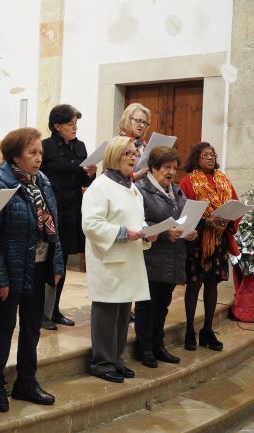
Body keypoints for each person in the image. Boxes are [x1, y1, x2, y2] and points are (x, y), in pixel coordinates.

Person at [0, 128, 64, 413]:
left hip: (38, 266)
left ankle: (26, 381)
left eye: (40, 152)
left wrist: (57, 263)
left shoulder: (43, 182)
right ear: (15, 156)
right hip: (11, 268)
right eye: (32, 153)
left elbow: (54, 227)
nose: (39, 158)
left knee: (31, 327)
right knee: (4, 327)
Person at [81, 136, 155, 384]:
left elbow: (137, 219)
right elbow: (91, 224)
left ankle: (117, 359)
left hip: (129, 258)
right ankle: (101, 363)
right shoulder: (100, 186)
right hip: (108, 259)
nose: (133, 158)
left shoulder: (131, 187)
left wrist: (146, 233)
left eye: (135, 154)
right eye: (128, 154)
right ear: (114, 155)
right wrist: (123, 233)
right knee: (106, 311)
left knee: (124, 311)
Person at [134, 146, 198, 368]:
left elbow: (183, 218)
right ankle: (144, 348)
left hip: (173, 257)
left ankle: (158, 345)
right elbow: (139, 221)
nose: (171, 172)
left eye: (174, 168)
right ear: (153, 168)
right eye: (166, 167)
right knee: (147, 305)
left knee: (163, 304)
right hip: (151, 257)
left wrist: (189, 230)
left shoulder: (177, 190)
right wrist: (163, 233)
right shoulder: (140, 190)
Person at [39, 104, 96, 330]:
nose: (75, 128)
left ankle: (54, 309)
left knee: (61, 262)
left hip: (72, 210)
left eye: (76, 124)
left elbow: (83, 181)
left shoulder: (79, 146)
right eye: (70, 124)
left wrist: (90, 174)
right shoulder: (45, 147)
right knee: (48, 261)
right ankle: (41, 312)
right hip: (52, 209)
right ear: (57, 125)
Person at [179, 142, 239, 352]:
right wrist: (207, 222)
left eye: (212, 154)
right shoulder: (188, 181)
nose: (210, 158)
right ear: (196, 158)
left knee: (212, 284)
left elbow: (234, 204)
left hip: (219, 240)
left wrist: (227, 220)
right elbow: (183, 212)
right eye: (205, 155)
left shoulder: (223, 179)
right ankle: (189, 330)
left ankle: (207, 330)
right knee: (194, 284)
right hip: (197, 240)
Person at [118, 102, 152, 181]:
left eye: (145, 123)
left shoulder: (142, 145)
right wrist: (133, 176)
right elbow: (111, 171)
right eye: (138, 120)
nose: (142, 125)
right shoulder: (118, 144)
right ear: (127, 119)